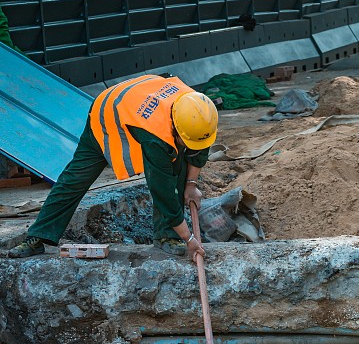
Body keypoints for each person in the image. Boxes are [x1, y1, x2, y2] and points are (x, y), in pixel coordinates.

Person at [8, 74, 218, 260]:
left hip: (136, 105)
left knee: (179, 167)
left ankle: (166, 237)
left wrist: (191, 184)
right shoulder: (156, 137)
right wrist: (188, 237)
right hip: (106, 114)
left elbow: (200, 148)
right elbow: (162, 190)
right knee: (75, 179)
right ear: (175, 127)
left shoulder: (198, 109)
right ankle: (37, 236)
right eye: (184, 140)